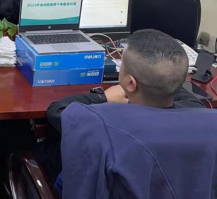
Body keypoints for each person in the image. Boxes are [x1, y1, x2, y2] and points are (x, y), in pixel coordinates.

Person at [36, 29, 206, 195]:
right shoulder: (203, 118)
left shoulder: (99, 124)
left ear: (131, 83)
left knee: (43, 149)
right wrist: (165, 80)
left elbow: (57, 110)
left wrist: (103, 96)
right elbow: (181, 91)